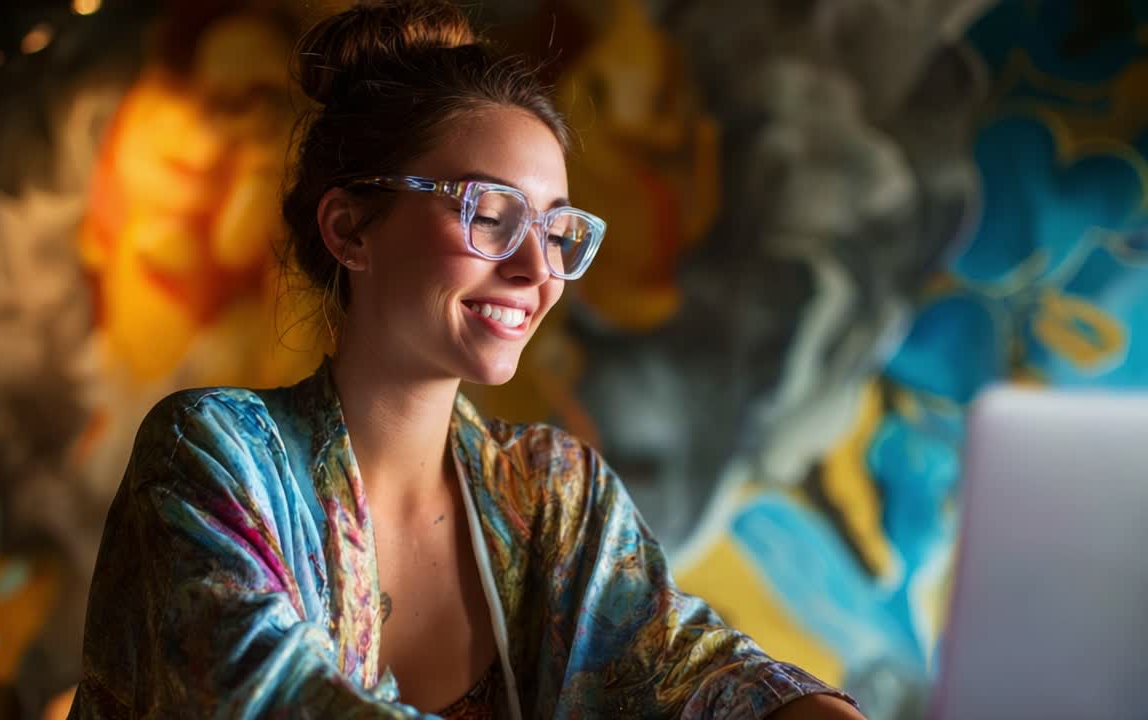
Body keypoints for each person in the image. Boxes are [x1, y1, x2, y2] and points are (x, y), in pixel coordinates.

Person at [68, 1, 864, 718]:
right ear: (348, 230)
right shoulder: (214, 455)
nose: (536, 268)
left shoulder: (554, 494)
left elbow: (684, 666)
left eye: (556, 230)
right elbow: (265, 698)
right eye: (489, 213)